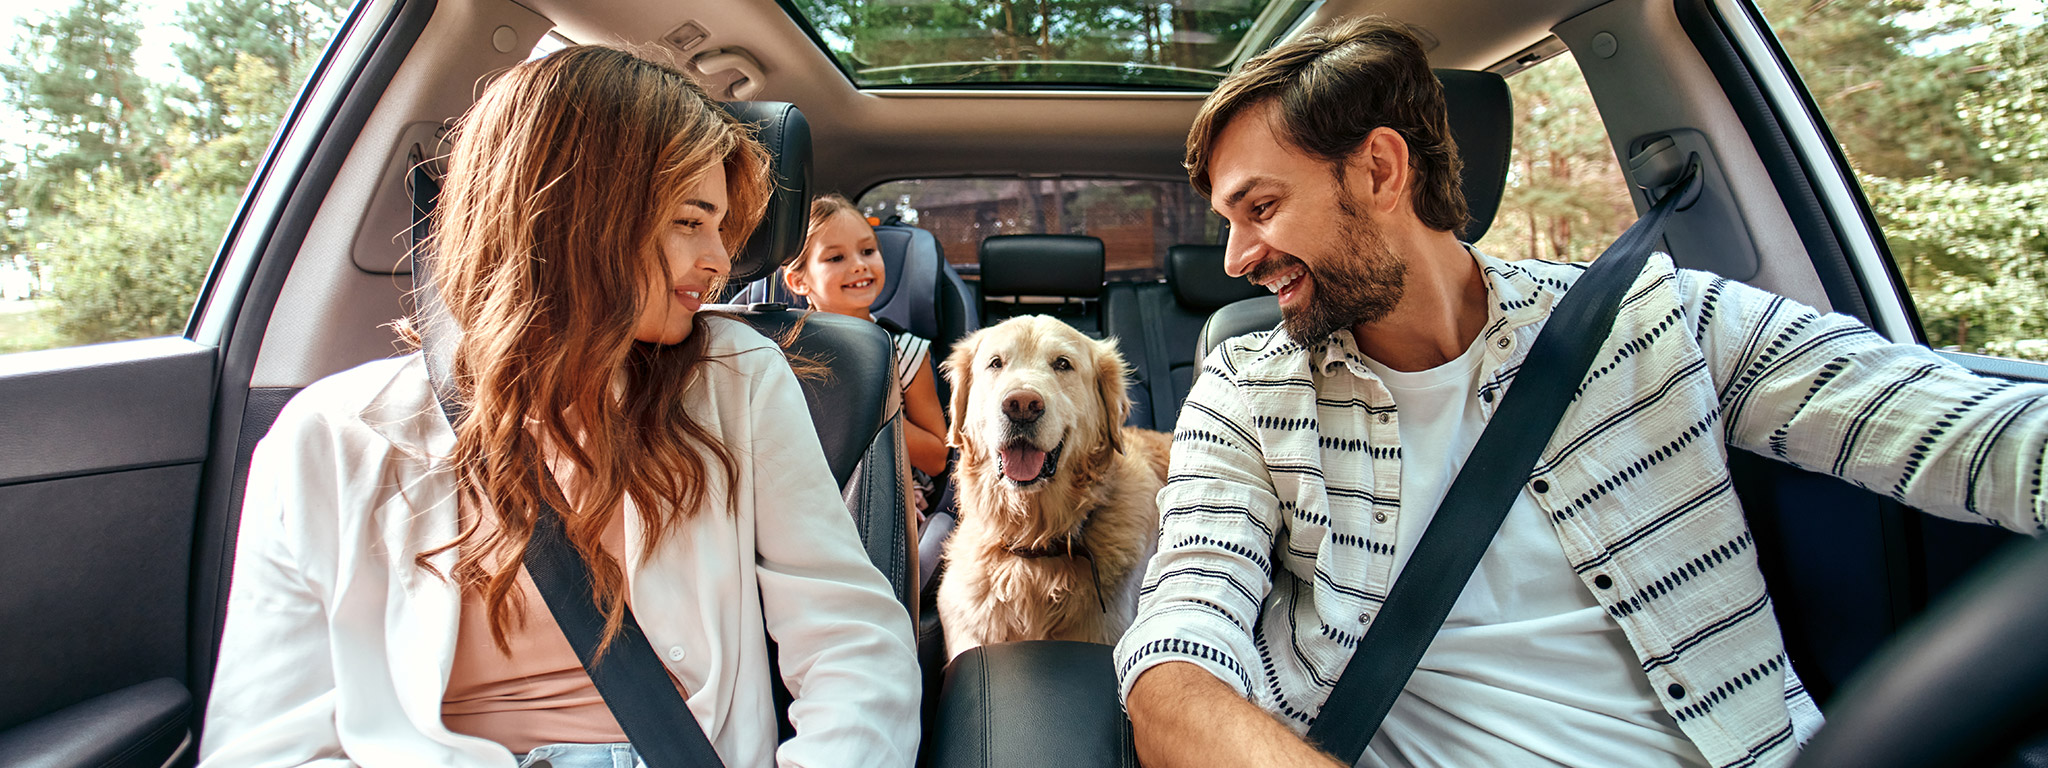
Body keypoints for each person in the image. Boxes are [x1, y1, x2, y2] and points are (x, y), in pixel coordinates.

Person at [1113, 16, 2046, 768]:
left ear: (1380, 170)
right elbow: (1180, 646)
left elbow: (1972, 431)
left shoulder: (1657, 318)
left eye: (1261, 208)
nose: (1235, 259)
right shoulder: (1245, 388)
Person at [199, 46, 920, 768]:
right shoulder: (328, 438)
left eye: (721, 230)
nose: (720, 263)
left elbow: (850, 640)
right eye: (690, 222)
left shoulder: (737, 378)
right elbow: (268, 744)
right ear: (579, 212)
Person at [783, 194, 949, 507]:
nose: (860, 265)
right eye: (836, 258)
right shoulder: (783, 353)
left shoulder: (907, 353)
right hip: (799, 497)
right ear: (798, 281)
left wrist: (865, 411)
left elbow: (936, 459)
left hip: (882, 500)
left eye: (868, 251)